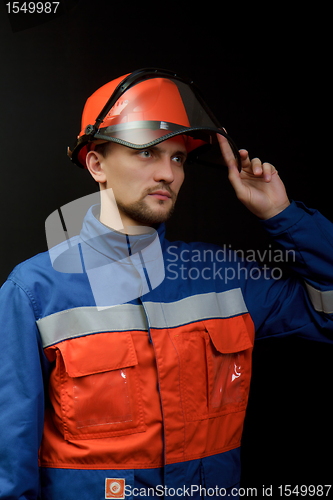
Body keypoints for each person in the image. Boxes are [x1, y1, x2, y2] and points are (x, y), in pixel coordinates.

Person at [0, 68, 332, 500]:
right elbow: (10, 466)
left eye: (177, 157)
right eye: (147, 153)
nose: (168, 174)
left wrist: (282, 214)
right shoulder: (33, 292)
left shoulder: (224, 277)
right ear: (96, 163)